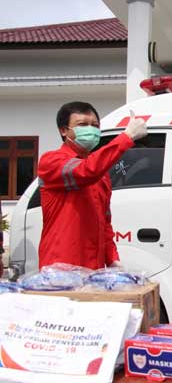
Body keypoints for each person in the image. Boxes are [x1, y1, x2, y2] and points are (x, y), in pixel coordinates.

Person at [37, 102, 147, 270]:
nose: (90, 129)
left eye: (95, 125)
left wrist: (112, 259)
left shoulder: (101, 174)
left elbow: (105, 222)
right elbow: (85, 171)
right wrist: (127, 137)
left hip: (93, 268)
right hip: (60, 267)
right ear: (64, 130)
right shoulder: (51, 161)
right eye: (82, 125)